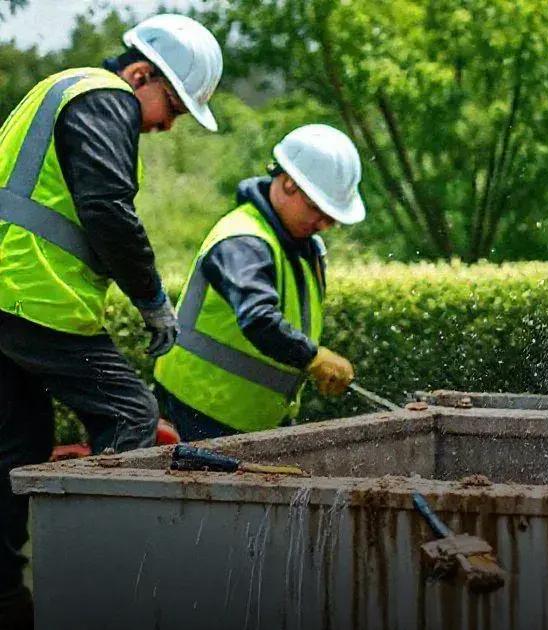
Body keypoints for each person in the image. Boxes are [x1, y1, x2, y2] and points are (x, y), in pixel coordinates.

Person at [0, 14, 223, 626]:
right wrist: (152, 298)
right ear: (141, 72)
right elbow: (106, 207)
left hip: (8, 294)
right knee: (129, 413)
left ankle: (6, 599)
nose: (166, 123)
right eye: (172, 106)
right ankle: (102, 588)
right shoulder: (105, 97)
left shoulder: (59, 91)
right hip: (33, 293)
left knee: (15, 443)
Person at [154, 124, 364, 440]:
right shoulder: (242, 241)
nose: (325, 223)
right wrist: (312, 357)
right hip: (200, 412)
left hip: (254, 421)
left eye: (332, 216)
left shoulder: (303, 247)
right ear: (288, 183)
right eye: (317, 209)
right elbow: (259, 319)